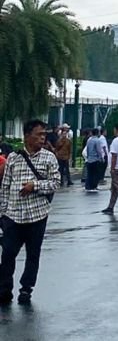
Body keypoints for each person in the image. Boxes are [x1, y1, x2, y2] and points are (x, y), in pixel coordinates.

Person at [0, 119, 60, 305]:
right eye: (39, 134)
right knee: (8, 254)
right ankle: (4, 289)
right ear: (27, 136)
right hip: (13, 216)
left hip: (37, 215)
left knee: (33, 255)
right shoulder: (13, 158)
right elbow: (5, 186)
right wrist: (2, 212)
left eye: (44, 135)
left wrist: (35, 185)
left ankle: (26, 289)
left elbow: (55, 183)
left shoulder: (49, 158)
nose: (43, 138)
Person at [84, 128, 104, 192]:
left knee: (89, 174)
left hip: (89, 159)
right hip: (95, 159)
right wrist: (101, 158)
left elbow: (87, 149)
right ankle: (94, 186)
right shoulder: (97, 140)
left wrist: (88, 157)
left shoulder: (89, 140)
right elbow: (99, 150)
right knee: (95, 174)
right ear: (98, 133)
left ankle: (88, 186)